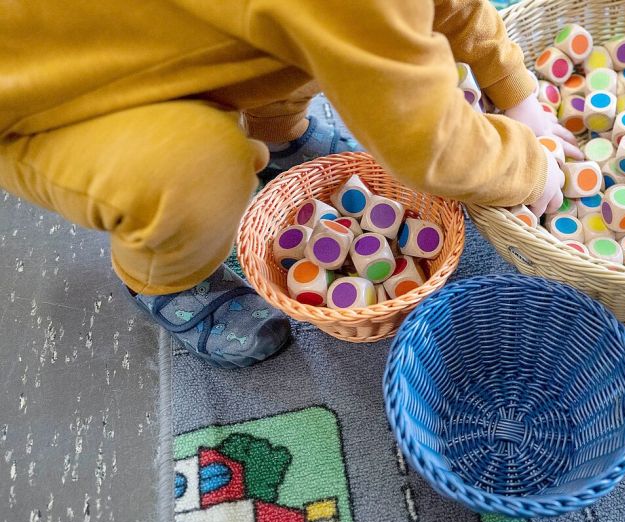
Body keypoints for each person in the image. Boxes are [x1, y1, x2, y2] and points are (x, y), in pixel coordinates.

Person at [0, 1, 580, 367]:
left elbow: (445, 8)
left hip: (171, 42)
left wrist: (517, 93)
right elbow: (427, 142)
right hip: (44, 101)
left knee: (302, 38)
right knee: (199, 172)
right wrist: (530, 167)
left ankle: (278, 131)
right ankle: (165, 277)